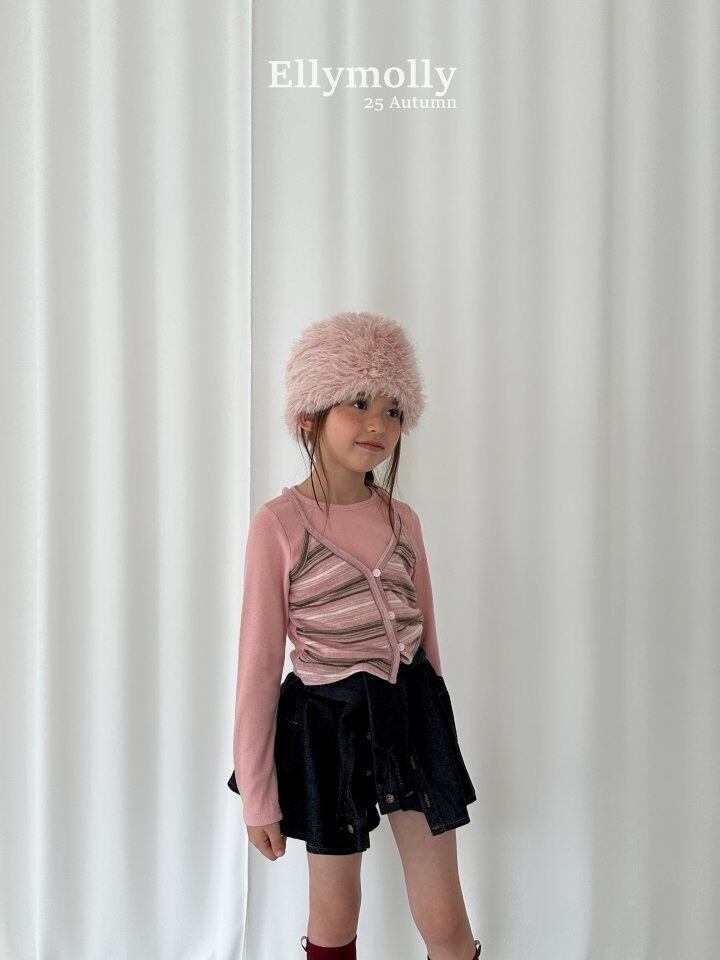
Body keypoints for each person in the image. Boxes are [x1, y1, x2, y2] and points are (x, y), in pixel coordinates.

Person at [227, 311, 482, 960]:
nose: (378, 425)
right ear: (310, 415)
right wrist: (258, 794)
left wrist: (436, 729)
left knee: (446, 919)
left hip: (412, 718)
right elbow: (257, 667)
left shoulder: (403, 521)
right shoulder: (279, 524)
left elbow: (425, 642)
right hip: (329, 729)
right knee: (336, 913)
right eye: (359, 403)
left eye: (393, 410)